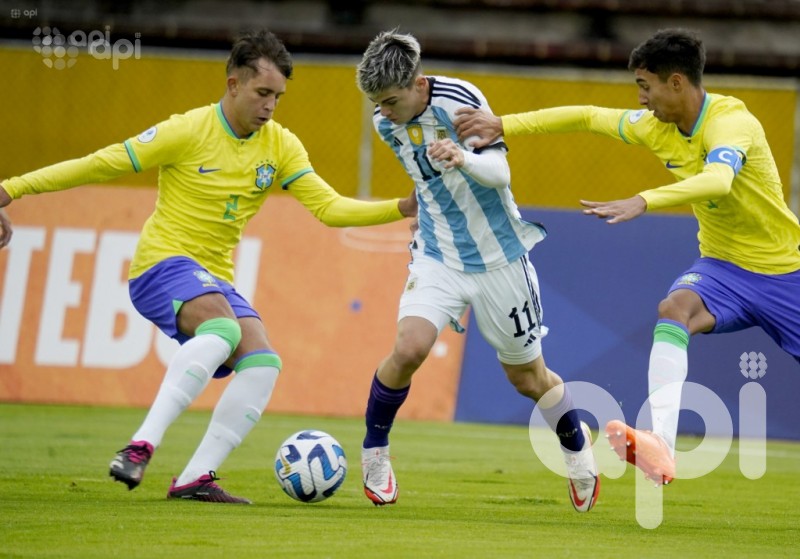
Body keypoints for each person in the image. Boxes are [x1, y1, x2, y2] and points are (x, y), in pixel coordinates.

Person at [0, 29, 416, 504]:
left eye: (278, 98)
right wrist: (12, 187)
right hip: (161, 265)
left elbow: (329, 208)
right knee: (223, 332)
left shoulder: (280, 145)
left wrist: (401, 207)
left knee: (263, 363)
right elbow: (101, 163)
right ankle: (140, 445)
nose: (270, 107)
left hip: (213, 277)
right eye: (262, 94)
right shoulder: (188, 130)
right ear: (233, 84)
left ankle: (196, 477)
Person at [454, 28, 800, 486]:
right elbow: (587, 116)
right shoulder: (656, 128)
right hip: (721, 268)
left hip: (784, 272)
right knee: (674, 311)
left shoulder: (732, 122)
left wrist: (644, 199)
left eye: (645, 85)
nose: (641, 98)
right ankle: (662, 445)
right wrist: (504, 124)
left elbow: (718, 181)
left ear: (676, 82)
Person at [354, 30, 600, 512]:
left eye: (390, 101)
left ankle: (577, 451)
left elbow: (500, 175)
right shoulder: (387, 124)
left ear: (417, 84)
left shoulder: (461, 101)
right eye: (376, 103)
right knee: (409, 348)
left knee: (529, 379)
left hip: (500, 258)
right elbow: (426, 183)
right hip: (439, 252)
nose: (382, 113)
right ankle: (375, 453)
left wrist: (462, 156)